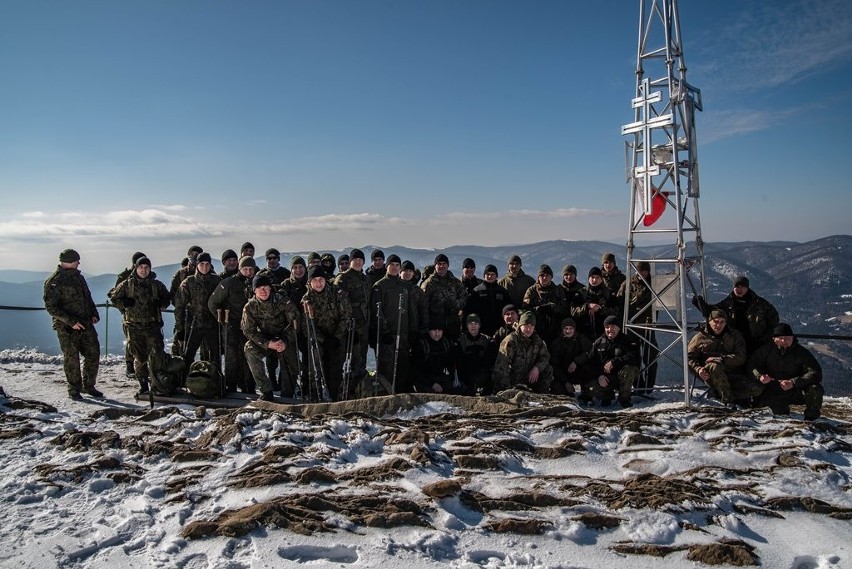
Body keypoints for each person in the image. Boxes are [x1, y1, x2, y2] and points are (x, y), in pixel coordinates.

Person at [43, 249, 102, 400]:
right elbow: (51, 307)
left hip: (85, 323)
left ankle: (89, 386)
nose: (79, 263)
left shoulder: (78, 277)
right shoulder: (55, 281)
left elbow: (87, 297)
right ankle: (74, 389)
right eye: (77, 260)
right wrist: (71, 322)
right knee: (72, 358)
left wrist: (94, 314)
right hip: (66, 327)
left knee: (93, 353)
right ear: (69, 261)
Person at [109, 256, 171, 396]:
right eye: (141, 267)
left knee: (156, 356)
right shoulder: (127, 285)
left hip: (153, 326)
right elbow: (114, 297)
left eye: (146, 268)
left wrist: (161, 304)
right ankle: (143, 384)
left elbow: (167, 298)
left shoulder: (156, 285)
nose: (143, 270)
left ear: (150, 269)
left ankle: (157, 383)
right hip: (134, 326)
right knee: (140, 358)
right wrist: (124, 303)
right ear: (136, 268)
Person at [241, 273, 301, 402]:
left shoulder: (283, 301)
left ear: (270, 288)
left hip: (284, 338)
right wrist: (267, 343)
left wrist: (284, 341)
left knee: (292, 362)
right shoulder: (250, 307)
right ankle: (266, 390)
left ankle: (288, 393)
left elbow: (296, 322)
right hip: (265, 339)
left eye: (265, 287)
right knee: (249, 349)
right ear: (254, 290)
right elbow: (248, 330)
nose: (263, 290)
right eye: (259, 288)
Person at [749, 323, 824, 420]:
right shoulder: (766, 350)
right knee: (779, 413)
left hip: (796, 390)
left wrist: (793, 382)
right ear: (774, 339)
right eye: (780, 338)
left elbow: (815, 372)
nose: (784, 341)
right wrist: (759, 375)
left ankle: (811, 418)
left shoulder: (801, 353)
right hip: (773, 389)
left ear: (793, 338)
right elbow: (752, 363)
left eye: (787, 338)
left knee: (815, 389)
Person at [687, 309, 760, 406]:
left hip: (732, 372)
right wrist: (698, 369)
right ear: (709, 321)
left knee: (757, 388)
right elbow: (690, 358)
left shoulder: (734, 336)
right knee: (714, 366)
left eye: (722, 322)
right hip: (710, 374)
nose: (719, 325)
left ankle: (723, 394)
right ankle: (728, 400)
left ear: (726, 323)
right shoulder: (699, 338)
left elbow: (741, 357)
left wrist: (722, 359)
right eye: (716, 321)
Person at [693, 275, 779, 356]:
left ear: (747, 288)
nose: (739, 289)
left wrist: (765, 339)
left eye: (742, 287)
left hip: (756, 342)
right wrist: (699, 303)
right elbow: (713, 313)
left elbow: (774, 320)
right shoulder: (728, 303)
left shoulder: (760, 303)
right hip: (735, 342)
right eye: (737, 286)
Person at [301, 265, 352, 401]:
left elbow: (346, 315)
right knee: (316, 367)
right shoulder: (306, 300)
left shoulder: (337, 293)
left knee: (336, 368)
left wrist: (336, 336)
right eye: (315, 280)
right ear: (309, 282)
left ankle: (336, 396)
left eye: (321, 279)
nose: (318, 283)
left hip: (337, 337)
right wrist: (323, 340)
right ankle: (315, 396)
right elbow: (307, 327)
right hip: (319, 340)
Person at [208, 256, 258, 393]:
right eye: (245, 269)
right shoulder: (229, 283)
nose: (248, 272)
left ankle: (249, 387)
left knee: (249, 356)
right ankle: (231, 387)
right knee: (232, 357)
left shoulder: (256, 283)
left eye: (250, 269)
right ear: (240, 268)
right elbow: (213, 302)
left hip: (251, 327)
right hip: (232, 325)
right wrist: (222, 319)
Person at [370, 254, 417, 393]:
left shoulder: (405, 286)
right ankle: (386, 397)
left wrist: (413, 330)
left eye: (397, 265)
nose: (395, 268)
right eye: (392, 265)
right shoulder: (380, 286)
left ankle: (402, 398)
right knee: (387, 369)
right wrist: (384, 331)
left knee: (403, 368)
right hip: (388, 336)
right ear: (386, 266)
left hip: (403, 335)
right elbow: (377, 312)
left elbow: (411, 310)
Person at [616, 261, 658, 393]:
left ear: (648, 271)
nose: (641, 273)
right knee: (633, 357)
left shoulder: (655, 283)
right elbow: (619, 302)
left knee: (650, 356)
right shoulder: (628, 284)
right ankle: (639, 386)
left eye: (644, 271)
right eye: (639, 271)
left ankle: (649, 387)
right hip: (632, 326)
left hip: (648, 325)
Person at [333, 248, 371, 395]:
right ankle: (340, 391)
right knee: (344, 360)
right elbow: (339, 303)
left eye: (361, 260)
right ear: (350, 262)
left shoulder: (365, 278)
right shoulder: (343, 279)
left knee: (361, 359)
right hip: (349, 325)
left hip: (364, 324)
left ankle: (358, 390)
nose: (358, 262)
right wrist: (347, 324)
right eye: (355, 260)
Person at [174, 252, 221, 364]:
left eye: (207, 264)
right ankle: (185, 380)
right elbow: (179, 307)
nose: (204, 267)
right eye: (202, 264)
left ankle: (216, 380)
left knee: (215, 357)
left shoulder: (217, 281)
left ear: (210, 265)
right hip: (193, 326)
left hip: (212, 325)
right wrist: (180, 328)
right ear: (197, 265)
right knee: (188, 356)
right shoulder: (188, 282)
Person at [492, 311, 553, 393]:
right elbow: (502, 367)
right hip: (513, 380)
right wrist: (507, 389)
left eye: (531, 326)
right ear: (520, 325)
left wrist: (537, 368)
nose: (529, 329)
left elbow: (545, 356)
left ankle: (540, 396)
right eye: (526, 325)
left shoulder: (537, 340)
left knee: (548, 369)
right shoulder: (511, 341)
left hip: (528, 378)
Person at [587, 315, 639, 408]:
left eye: (613, 326)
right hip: (606, 378)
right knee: (589, 387)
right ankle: (607, 396)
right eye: (607, 327)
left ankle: (624, 399)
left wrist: (615, 362)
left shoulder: (627, 340)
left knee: (629, 369)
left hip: (622, 376)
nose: (610, 329)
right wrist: (599, 375)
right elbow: (591, 362)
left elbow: (633, 357)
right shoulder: (598, 342)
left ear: (619, 328)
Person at [113, 251, 146, 377]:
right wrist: (124, 306)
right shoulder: (125, 277)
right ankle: (129, 365)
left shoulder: (148, 275)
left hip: (146, 315)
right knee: (131, 341)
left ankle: (143, 366)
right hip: (130, 315)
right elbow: (115, 296)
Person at [421, 253, 467, 342]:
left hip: (452, 324)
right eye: (439, 264)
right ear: (435, 266)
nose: (441, 266)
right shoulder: (428, 284)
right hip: (435, 325)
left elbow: (464, 299)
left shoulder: (456, 283)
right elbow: (422, 305)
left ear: (448, 265)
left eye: (444, 264)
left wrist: (455, 304)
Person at [522, 264, 569, 346]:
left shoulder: (558, 290)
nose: (544, 278)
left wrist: (553, 307)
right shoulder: (532, 291)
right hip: (536, 330)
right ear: (538, 277)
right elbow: (525, 311)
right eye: (542, 275)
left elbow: (565, 310)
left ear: (551, 277)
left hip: (555, 330)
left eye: (547, 275)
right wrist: (538, 309)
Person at [170, 245, 203, 355]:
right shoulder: (181, 274)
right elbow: (173, 295)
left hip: (203, 319)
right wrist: (182, 307)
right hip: (184, 318)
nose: (195, 257)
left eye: (198, 255)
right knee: (179, 349)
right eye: (193, 254)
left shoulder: (208, 273)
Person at [549, 318, 592, 399]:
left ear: (574, 329)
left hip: (578, 371)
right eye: (566, 328)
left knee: (588, 368)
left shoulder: (581, 339)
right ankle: (567, 392)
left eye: (570, 328)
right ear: (562, 329)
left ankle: (586, 394)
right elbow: (555, 365)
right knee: (557, 389)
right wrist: (566, 382)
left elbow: (590, 351)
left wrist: (576, 361)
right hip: (563, 373)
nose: (568, 331)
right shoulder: (556, 343)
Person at [453, 314, 495, 395]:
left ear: (479, 326)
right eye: (470, 324)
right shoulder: (461, 341)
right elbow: (458, 362)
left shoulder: (487, 340)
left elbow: (490, 361)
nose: (473, 326)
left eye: (475, 324)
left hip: (483, 375)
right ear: (467, 326)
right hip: (466, 376)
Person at [572, 267, 618, 341]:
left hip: (604, 333)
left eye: (597, 277)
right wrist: (587, 307)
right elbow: (573, 311)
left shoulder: (608, 293)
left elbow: (616, 312)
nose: (594, 280)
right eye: (592, 277)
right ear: (588, 278)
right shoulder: (581, 293)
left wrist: (600, 309)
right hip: (584, 333)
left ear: (601, 279)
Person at [412, 320, 456, 394]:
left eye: (439, 330)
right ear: (429, 331)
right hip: (424, 380)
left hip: (440, 377)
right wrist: (432, 384)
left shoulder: (445, 343)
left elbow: (450, 364)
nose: (437, 333)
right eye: (434, 330)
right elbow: (416, 371)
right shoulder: (421, 345)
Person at [467, 264, 512, 337]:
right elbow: (470, 310)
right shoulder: (477, 291)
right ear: (484, 276)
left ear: (496, 276)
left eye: (492, 274)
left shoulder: (502, 291)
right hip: (481, 327)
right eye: (487, 274)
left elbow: (509, 307)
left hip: (499, 327)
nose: (490, 276)